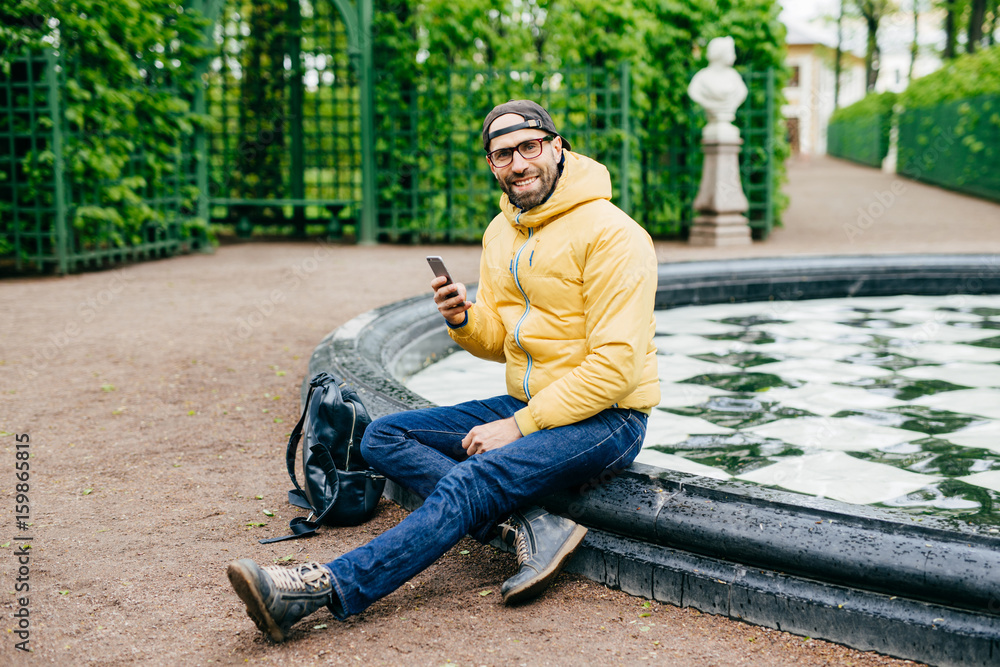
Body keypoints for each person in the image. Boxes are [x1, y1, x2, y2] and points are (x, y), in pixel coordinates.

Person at [226, 100, 661, 642]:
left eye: (529, 147)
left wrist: (519, 427)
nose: (518, 163)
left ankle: (322, 588)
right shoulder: (501, 232)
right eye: (503, 154)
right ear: (491, 165)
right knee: (385, 435)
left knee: (475, 479)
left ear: (557, 147)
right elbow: (501, 341)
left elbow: (616, 367)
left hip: (608, 418)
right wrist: (465, 319)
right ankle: (531, 524)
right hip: (536, 403)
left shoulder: (615, 235)